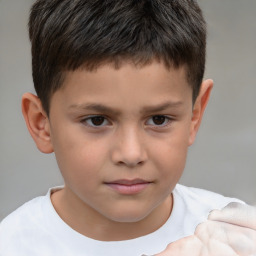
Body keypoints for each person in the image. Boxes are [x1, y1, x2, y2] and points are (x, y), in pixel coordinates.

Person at [0, 0, 255, 255]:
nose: (131, 154)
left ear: (194, 115)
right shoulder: (11, 245)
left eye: (158, 119)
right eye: (97, 120)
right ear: (41, 124)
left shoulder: (237, 238)